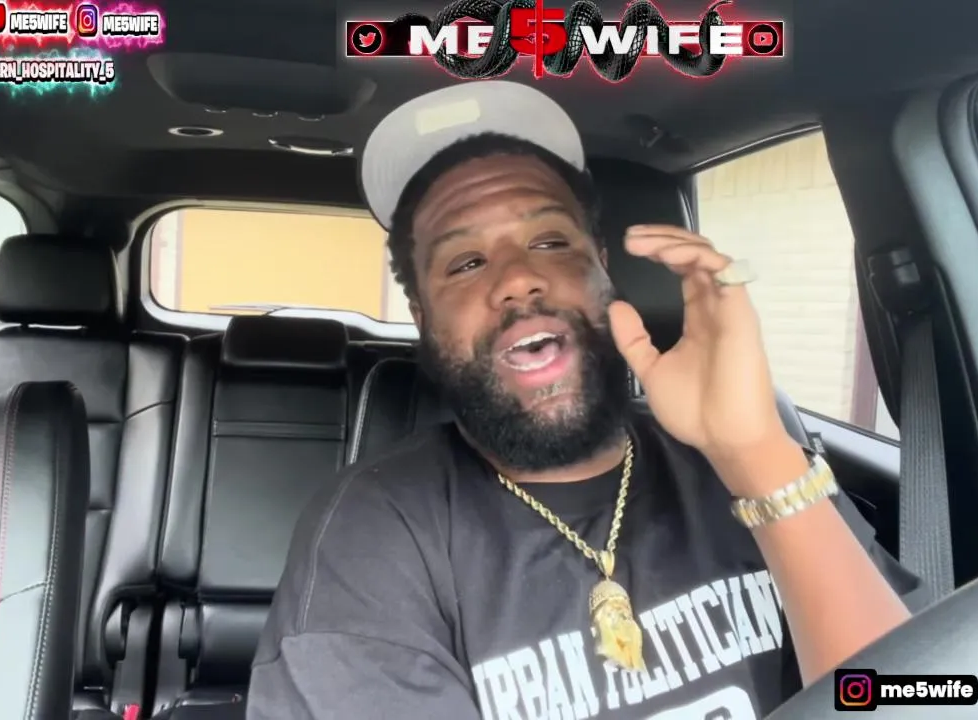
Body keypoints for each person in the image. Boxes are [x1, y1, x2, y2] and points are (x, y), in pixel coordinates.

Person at [247, 81, 923, 719]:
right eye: (466, 263)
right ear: (423, 318)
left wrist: (754, 452)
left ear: (602, 265)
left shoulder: (757, 453)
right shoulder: (373, 532)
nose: (518, 279)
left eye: (550, 242)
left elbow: (915, 697)